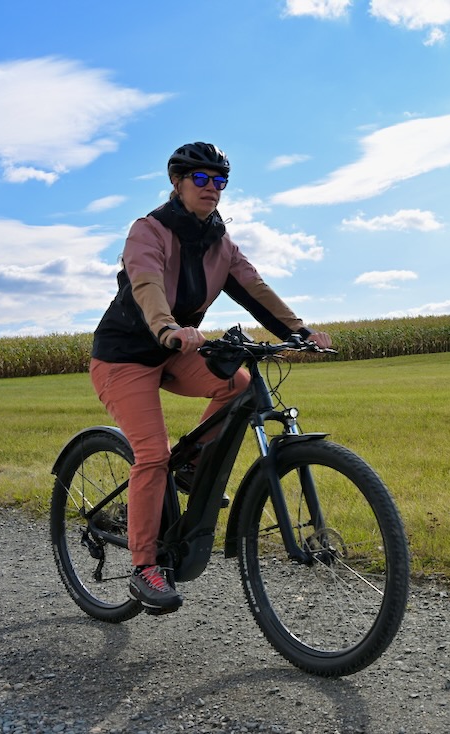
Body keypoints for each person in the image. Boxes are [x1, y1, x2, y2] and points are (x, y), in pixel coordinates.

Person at [89, 141, 331, 611]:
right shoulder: (149, 230)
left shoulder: (221, 243)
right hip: (125, 356)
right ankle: (144, 568)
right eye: (200, 179)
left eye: (220, 181)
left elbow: (254, 289)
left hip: (176, 349)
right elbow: (146, 282)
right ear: (177, 183)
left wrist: (298, 330)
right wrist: (166, 327)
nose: (212, 188)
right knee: (152, 453)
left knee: (236, 384)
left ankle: (194, 467)